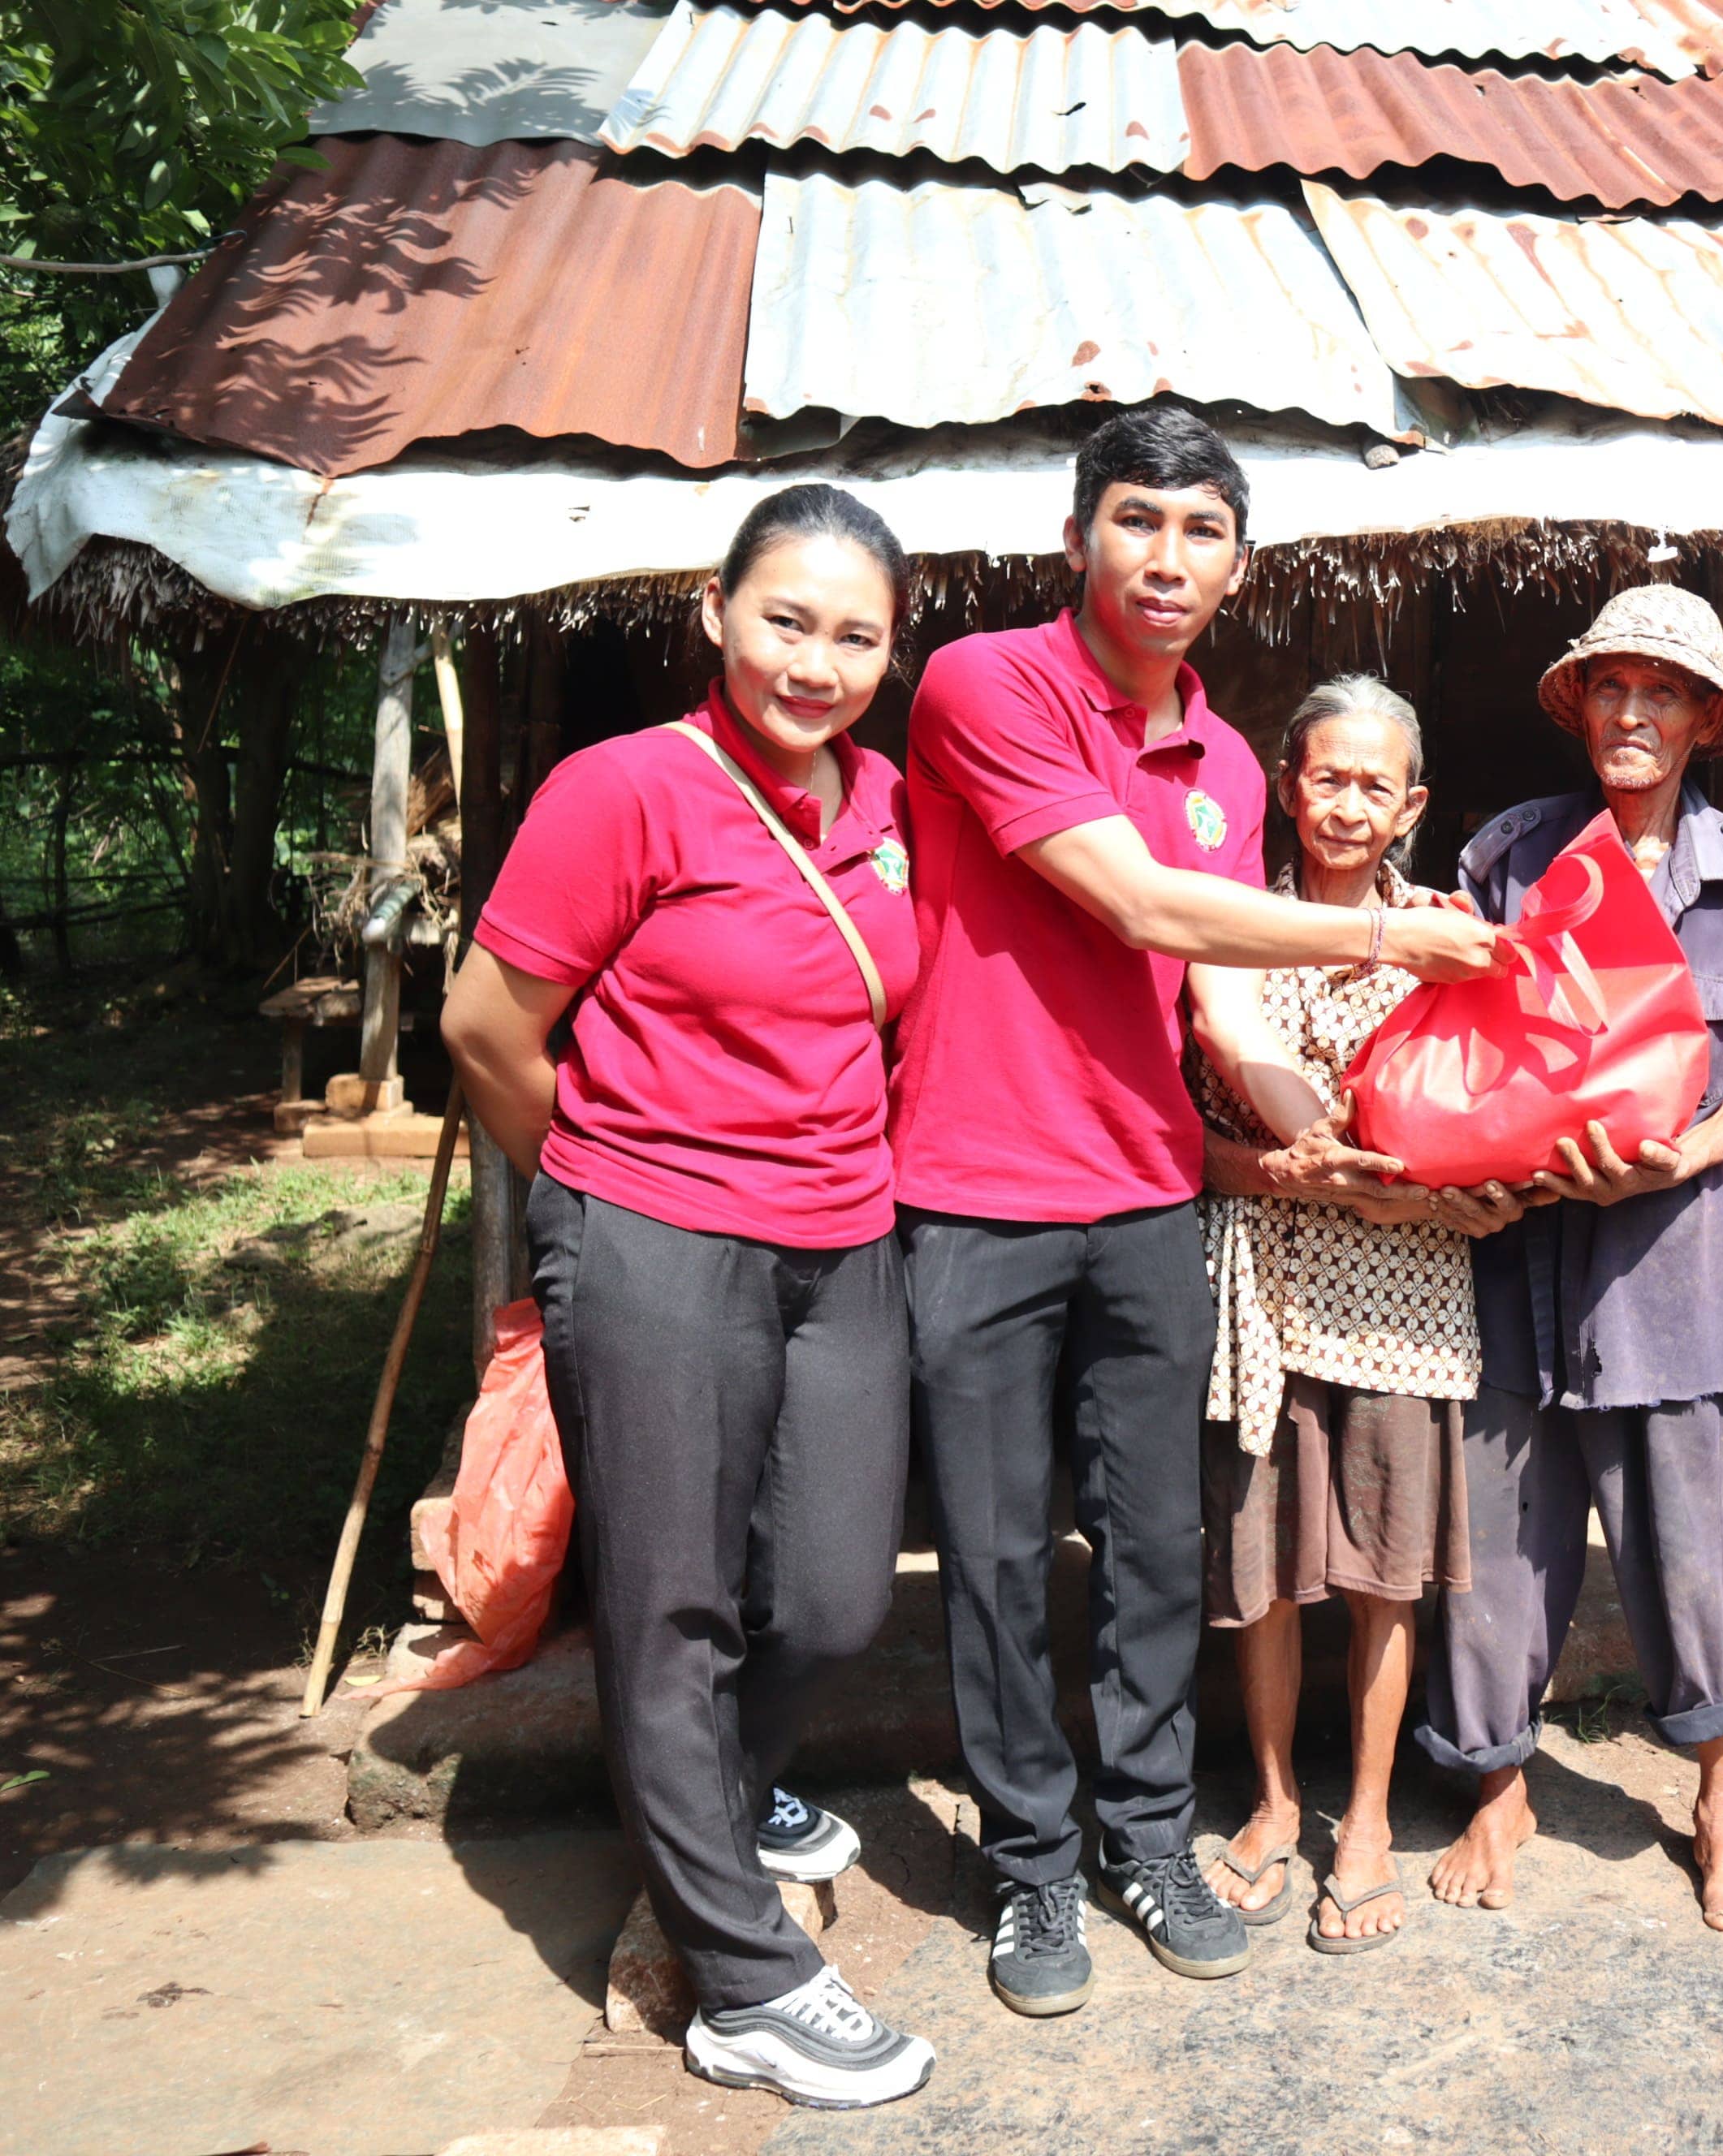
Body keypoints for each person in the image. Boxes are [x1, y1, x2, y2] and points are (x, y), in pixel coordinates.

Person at [893, 411, 1502, 2017]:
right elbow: (1144, 899)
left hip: (1155, 1190)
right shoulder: (987, 685)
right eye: (1139, 520)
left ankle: (1147, 1830)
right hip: (982, 1185)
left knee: (1161, 1542)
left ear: (1240, 560)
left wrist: (1342, 1142)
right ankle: (1032, 1861)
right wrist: (1388, 943)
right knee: (1003, 1543)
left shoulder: (1233, 764)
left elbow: (1220, 1010)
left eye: (1203, 530)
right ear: (1080, 532)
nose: (1168, 557)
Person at [442, 484, 935, 2109]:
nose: (817, 657)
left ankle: (720, 1792)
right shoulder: (628, 788)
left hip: (842, 1234)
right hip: (656, 1231)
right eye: (786, 617)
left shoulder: (885, 806)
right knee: (672, 1604)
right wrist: (598, 1195)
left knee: (834, 1587)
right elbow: (486, 1029)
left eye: (854, 631)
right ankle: (748, 1980)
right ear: (717, 610)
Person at [1417, 584, 1723, 1933]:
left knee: (1691, 1549)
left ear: (1708, 718)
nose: (1632, 712)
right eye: (1610, 688)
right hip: (1511, 1266)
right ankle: (1496, 1784)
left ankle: (1718, 1798)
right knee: (1492, 1548)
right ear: (1579, 707)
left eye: (1662, 692)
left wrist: (1684, 1153)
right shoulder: (1511, 860)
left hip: (1668, 1270)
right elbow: (1455, 1045)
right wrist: (1480, 1171)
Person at [1193, 675, 1517, 1953]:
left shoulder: (1450, 933)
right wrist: (1282, 1169)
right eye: (1326, 777)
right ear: (1287, 787)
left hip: (1405, 1299)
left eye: (1375, 785)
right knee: (1267, 1574)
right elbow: (1187, 1141)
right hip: (1261, 1287)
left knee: (1386, 1576)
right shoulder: (1230, 925)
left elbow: (1498, 1126)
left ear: (1413, 806)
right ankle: (1277, 1803)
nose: (1347, 804)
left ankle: (1370, 1820)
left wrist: (1440, 1204)